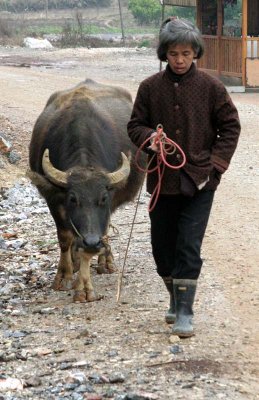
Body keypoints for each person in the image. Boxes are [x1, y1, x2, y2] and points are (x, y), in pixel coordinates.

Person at [127, 18, 241, 338]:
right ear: (164, 54)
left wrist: (215, 165)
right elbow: (135, 125)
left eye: (186, 54)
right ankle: (175, 299)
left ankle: (185, 311)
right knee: (162, 248)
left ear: (196, 54)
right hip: (162, 181)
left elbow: (230, 127)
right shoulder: (149, 88)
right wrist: (150, 139)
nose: (180, 60)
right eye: (174, 54)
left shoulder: (211, 88)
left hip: (199, 180)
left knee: (188, 245)